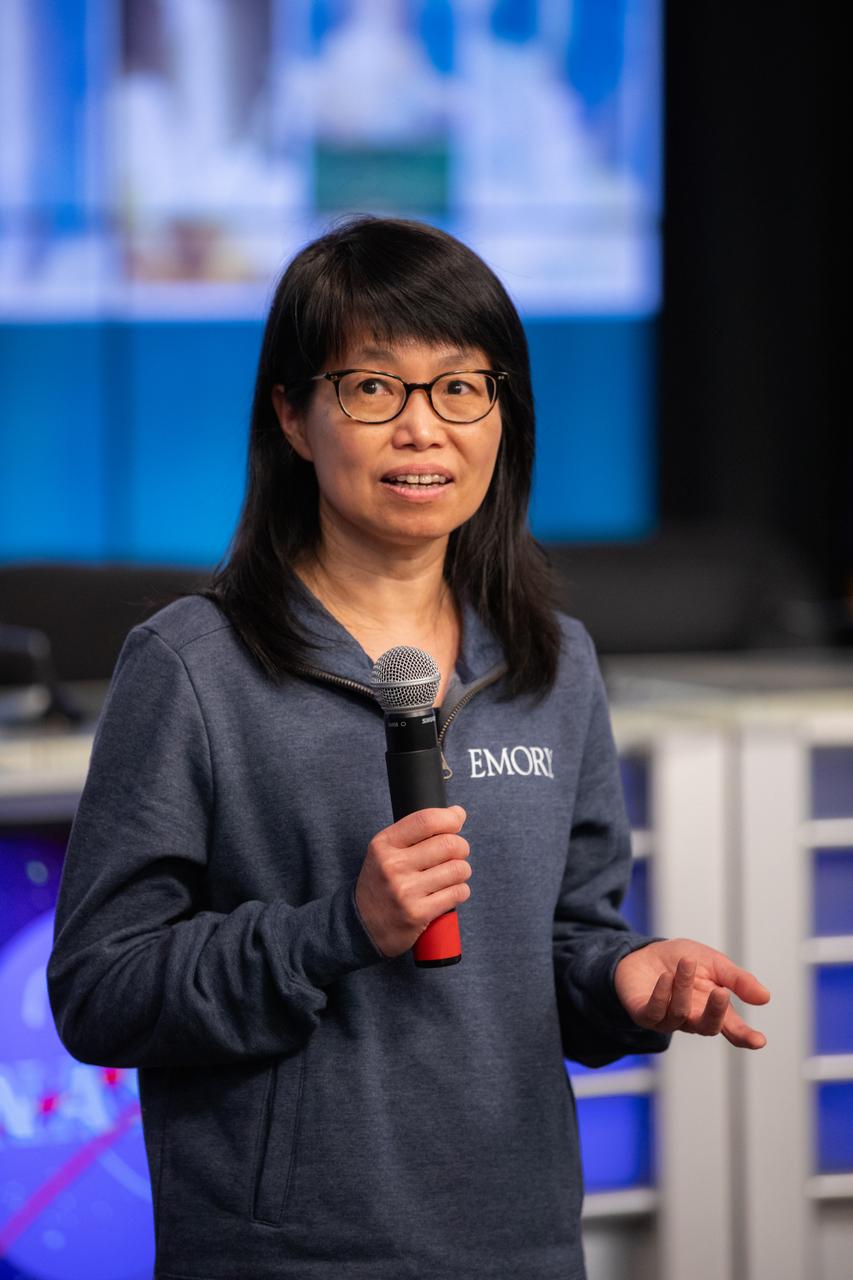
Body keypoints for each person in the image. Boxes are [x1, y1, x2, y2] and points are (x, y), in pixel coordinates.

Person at [47, 215, 770, 1280]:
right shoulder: (193, 666)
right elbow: (101, 987)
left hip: (518, 1241)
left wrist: (626, 976)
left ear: (500, 414)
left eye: (460, 387)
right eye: (373, 387)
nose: (422, 428)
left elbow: (564, 937)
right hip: (288, 1254)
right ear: (295, 415)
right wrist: (338, 927)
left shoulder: (550, 661)